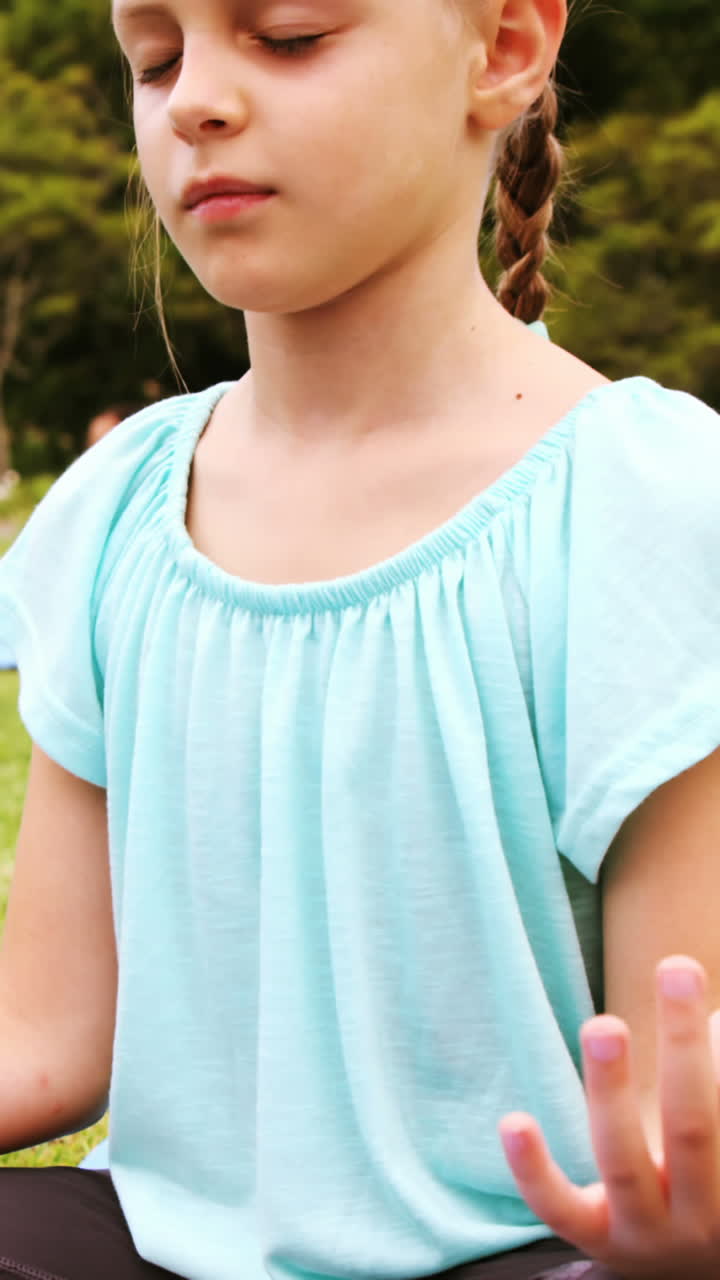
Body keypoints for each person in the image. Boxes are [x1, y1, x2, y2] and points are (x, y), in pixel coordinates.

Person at [0, 1, 718, 1277]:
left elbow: (671, 1114)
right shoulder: (113, 511)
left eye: (286, 36)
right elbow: (47, 1038)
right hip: (152, 1241)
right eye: (155, 58)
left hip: (534, 1247)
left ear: (503, 48)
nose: (194, 103)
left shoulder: (642, 503)